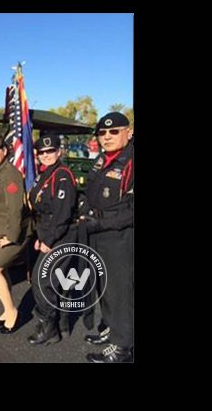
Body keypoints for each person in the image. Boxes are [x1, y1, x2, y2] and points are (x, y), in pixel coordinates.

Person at [80, 112, 134, 363]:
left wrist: (100, 223)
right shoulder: (102, 159)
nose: (107, 136)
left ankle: (123, 347)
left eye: (114, 131)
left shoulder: (130, 160)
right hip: (98, 231)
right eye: (102, 133)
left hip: (120, 235)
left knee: (120, 291)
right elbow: (90, 191)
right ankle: (112, 331)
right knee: (104, 288)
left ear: (129, 132)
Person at [0, 129, 32, 334]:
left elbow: (16, 208)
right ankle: (6, 309)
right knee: (1, 271)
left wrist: (11, 237)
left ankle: (12, 312)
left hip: (11, 233)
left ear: (5, 150)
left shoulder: (10, 174)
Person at [26, 133, 78, 345]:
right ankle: (60, 325)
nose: (46, 155)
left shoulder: (62, 175)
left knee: (41, 280)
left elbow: (62, 213)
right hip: (48, 232)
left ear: (59, 151)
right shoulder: (44, 175)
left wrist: (48, 239)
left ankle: (49, 326)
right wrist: (41, 237)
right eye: (42, 152)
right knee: (54, 281)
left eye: (51, 151)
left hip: (62, 234)